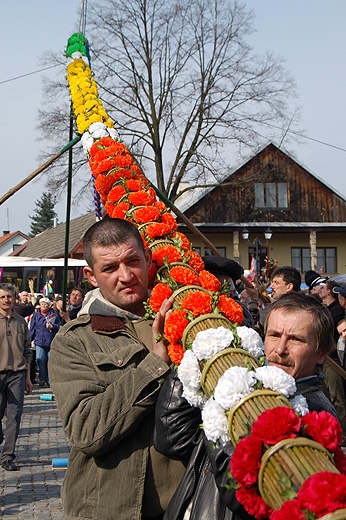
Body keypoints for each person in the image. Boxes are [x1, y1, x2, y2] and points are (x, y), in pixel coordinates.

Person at [155, 292, 337, 520]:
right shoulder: (252, 385)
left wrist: (221, 412)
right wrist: (192, 361)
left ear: (321, 353)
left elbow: (243, 498)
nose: (280, 350)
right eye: (274, 335)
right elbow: (173, 440)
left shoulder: (313, 415)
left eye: (296, 339)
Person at [49, 218, 185, 520]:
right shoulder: (76, 340)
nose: (125, 276)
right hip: (111, 508)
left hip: (188, 504)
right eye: (110, 268)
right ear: (91, 275)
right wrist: (155, 364)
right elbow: (87, 430)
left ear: (147, 258)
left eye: (133, 261)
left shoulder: (188, 322)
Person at [0, 283, 33, 471]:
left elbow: (27, 351)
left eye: (9, 297)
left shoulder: (21, 321)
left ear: (14, 298)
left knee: (14, 416)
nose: (6, 300)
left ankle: (7, 456)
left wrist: (28, 378)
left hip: (17, 375)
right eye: (3, 297)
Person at [29, 297, 61, 387]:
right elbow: (32, 328)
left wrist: (52, 326)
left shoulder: (53, 314)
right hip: (39, 341)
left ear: (49, 305)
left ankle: (50, 379)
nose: (43, 306)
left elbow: (59, 326)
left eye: (45, 304)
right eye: (42, 304)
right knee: (40, 359)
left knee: (50, 361)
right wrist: (28, 340)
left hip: (51, 341)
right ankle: (42, 378)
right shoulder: (36, 315)